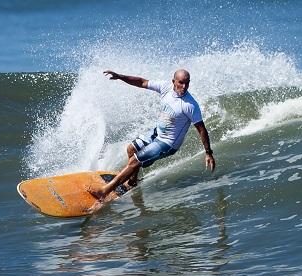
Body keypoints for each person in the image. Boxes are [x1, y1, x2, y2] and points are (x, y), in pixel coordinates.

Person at [88, 69, 215, 200]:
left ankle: (104, 191)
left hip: (167, 143)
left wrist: (208, 152)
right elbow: (142, 82)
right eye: (181, 83)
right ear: (173, 82)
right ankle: (132, 182)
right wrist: (120, 76)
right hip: (157, 133)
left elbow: (201, 129)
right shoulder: (165, 87)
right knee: (131, 149)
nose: (184, 87)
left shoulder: (190, 105)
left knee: (134, 161)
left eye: (187, 83)